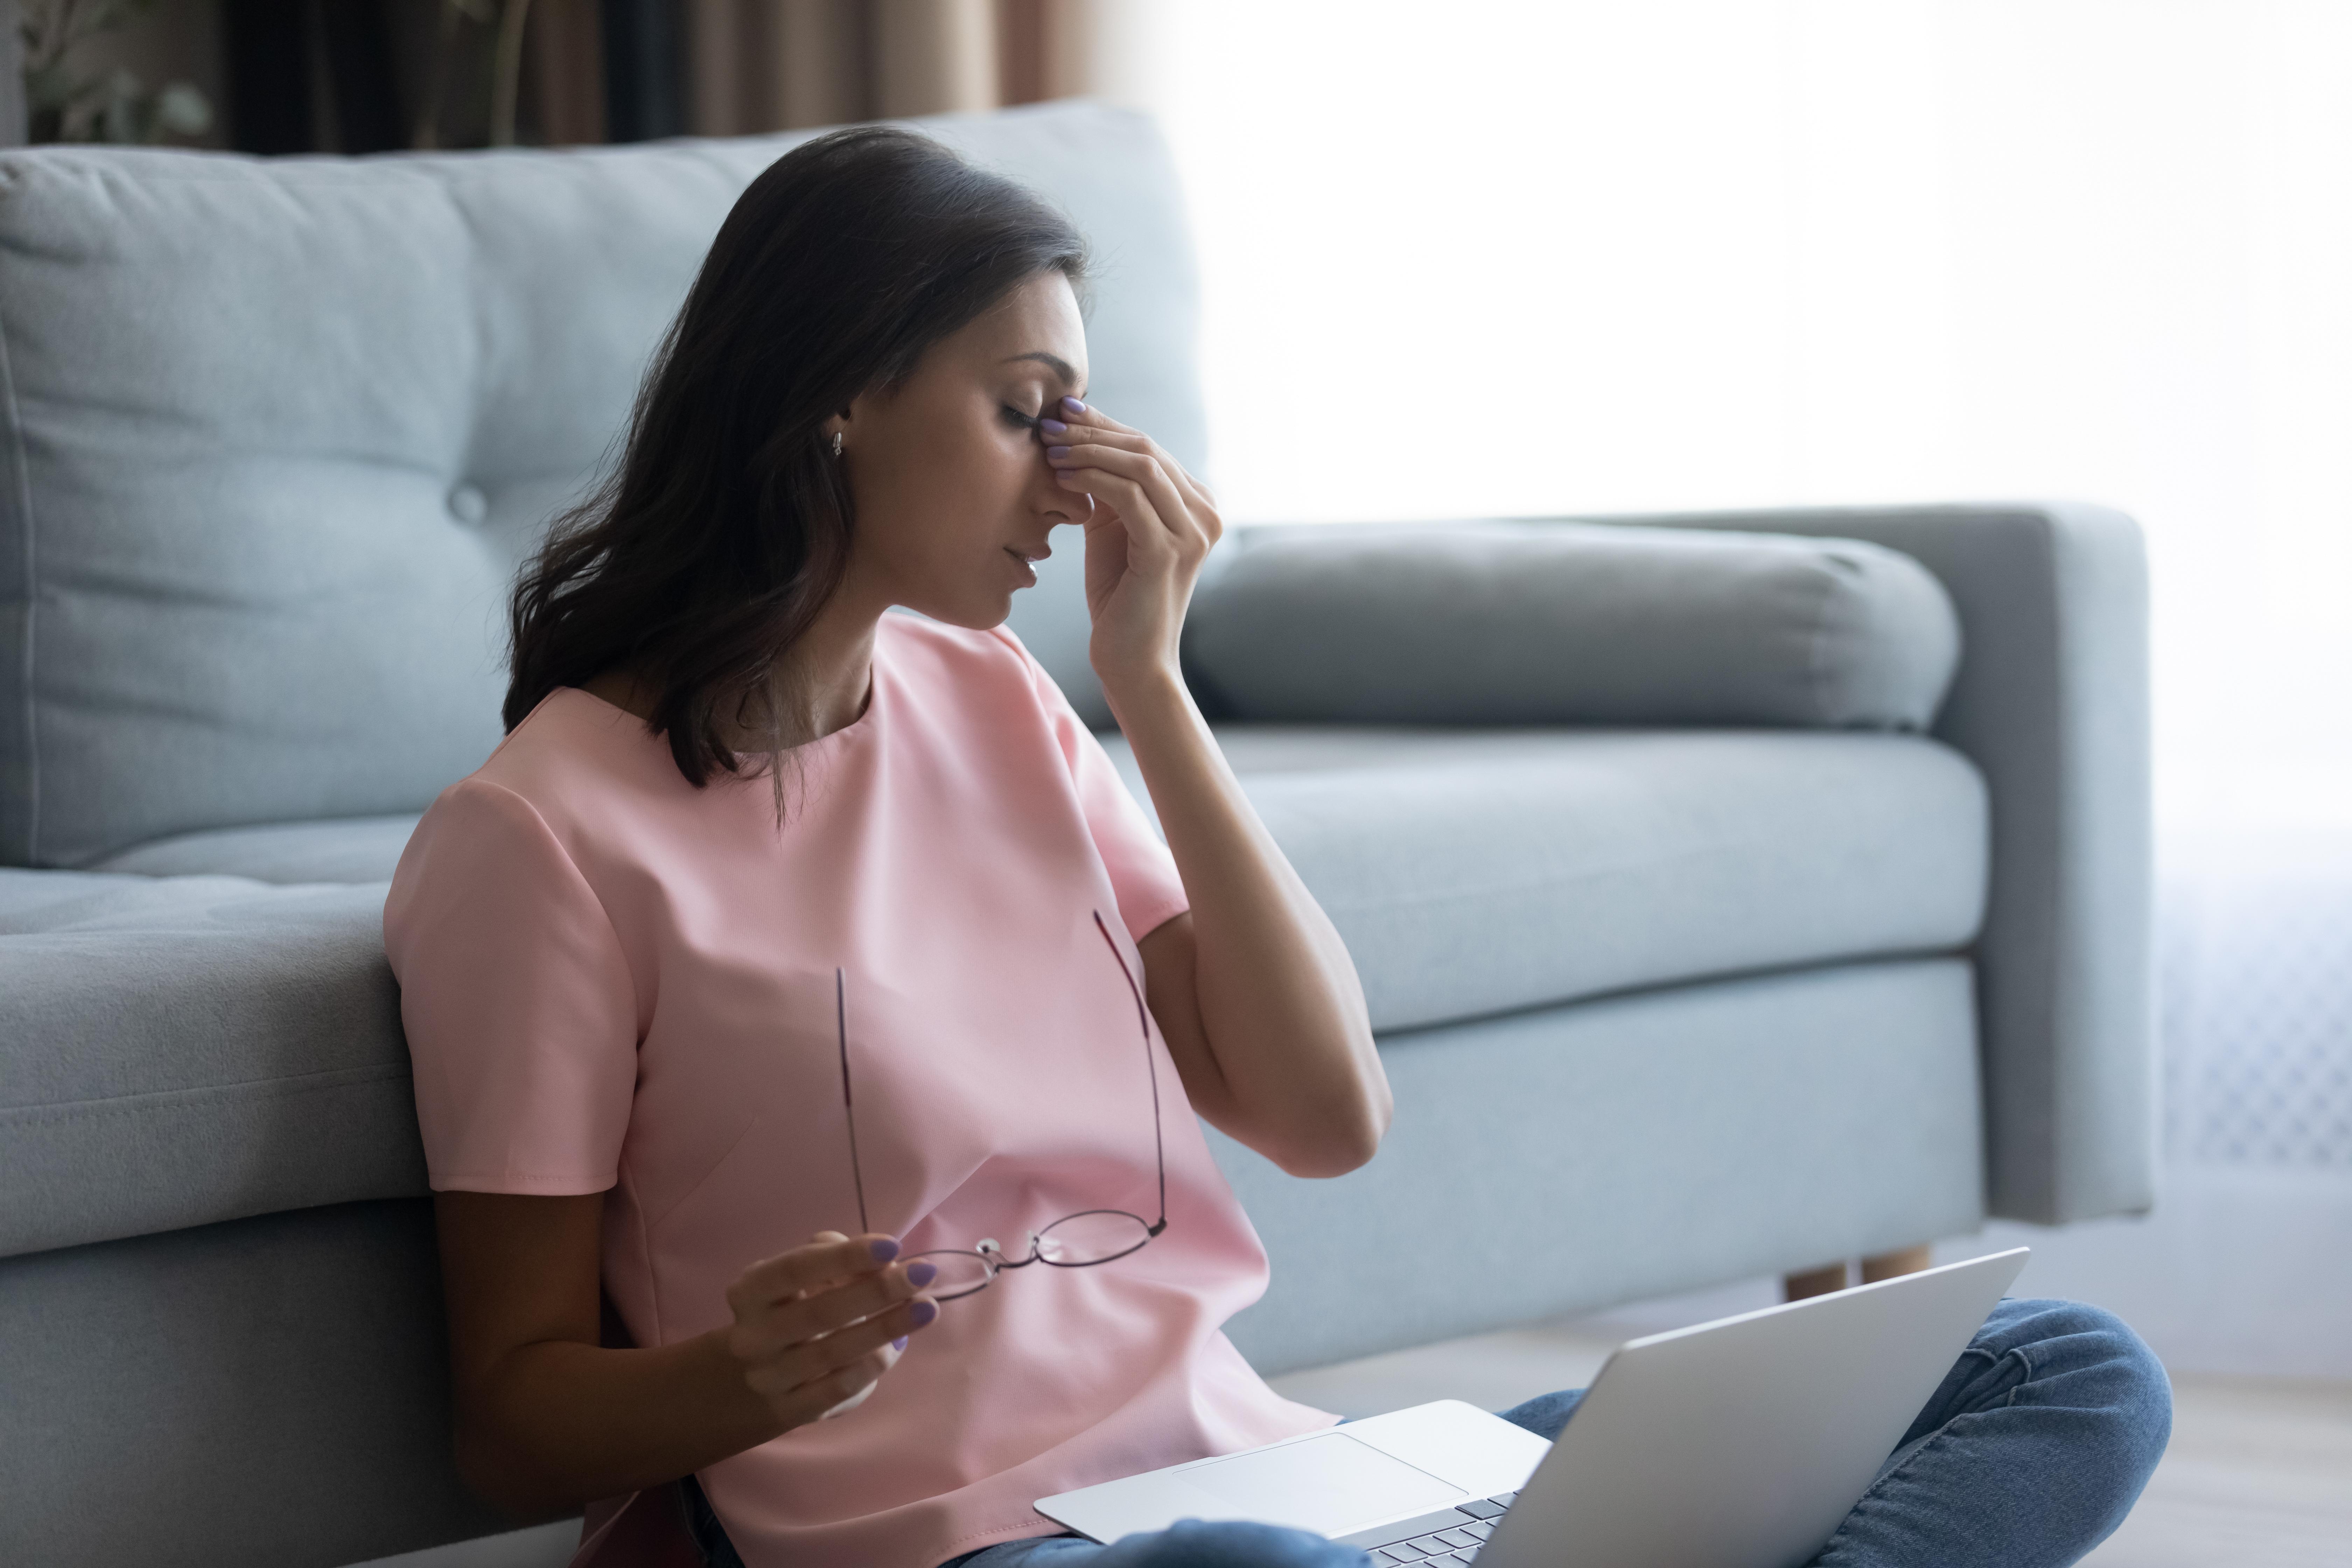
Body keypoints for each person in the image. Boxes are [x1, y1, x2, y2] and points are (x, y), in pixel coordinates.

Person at [384, 127, 2171, 1568]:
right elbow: (510, 1412)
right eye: (1028, 412)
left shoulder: (996, 698)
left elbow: (1326, 1117)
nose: (1076, 480)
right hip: (943, 1542)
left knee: (2060, 1371)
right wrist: (729, 1377)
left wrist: (1151, 687)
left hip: (1267, 1472)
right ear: (837, 393)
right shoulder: (543, 836)